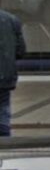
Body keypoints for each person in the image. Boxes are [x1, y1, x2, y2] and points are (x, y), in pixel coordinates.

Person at [0, 8, 26, 136]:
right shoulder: (11, 20)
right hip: (5, 76)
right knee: (3, 109)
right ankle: (5, 144)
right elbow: (20, 51)